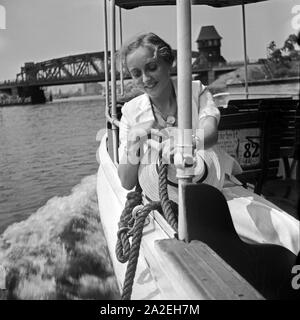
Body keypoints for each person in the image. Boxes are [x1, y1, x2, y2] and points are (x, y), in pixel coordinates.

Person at [117, 32, 222, 191]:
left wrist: (187, 143)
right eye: (137, 74)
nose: (145, 79)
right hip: (159, 193)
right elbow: (126, 182)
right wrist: (134, 140)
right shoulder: (130, 113)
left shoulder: (196, 92)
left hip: (207, 182)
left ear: (169, 62)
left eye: (152, 67)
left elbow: (210, 132)